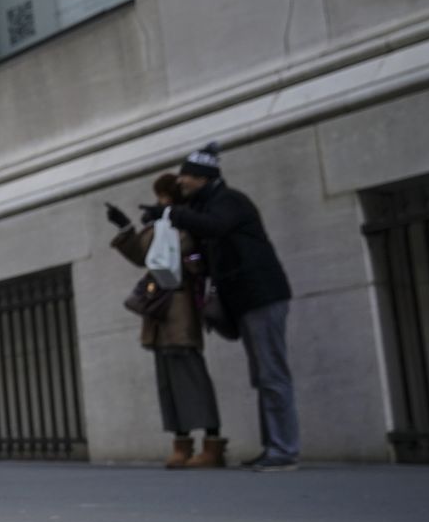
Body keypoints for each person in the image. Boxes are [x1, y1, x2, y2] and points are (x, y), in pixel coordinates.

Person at [170, 143, 299, 471]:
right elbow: (204, 250)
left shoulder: (229, 201)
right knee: (263, 376)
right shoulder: (207, 208)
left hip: (261, 296)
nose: (180, 181)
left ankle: (283, 451)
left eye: (185, 175)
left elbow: (215, 227)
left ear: (202, 177)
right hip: (247, 300)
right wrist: (193, 258)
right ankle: (274, 447)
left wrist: (172, 214)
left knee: (272, 374)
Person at [109, 176, 224, 469]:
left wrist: (189, 258)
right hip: (160, 312)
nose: (159, 201)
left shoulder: (188, 222)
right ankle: (181, 442)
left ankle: (211, 442)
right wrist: (125, 227)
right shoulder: (160, 225)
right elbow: (143, 255)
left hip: (179, 307)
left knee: (190, 374)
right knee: (168, 382)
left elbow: (196, 254)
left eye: (162, 196)